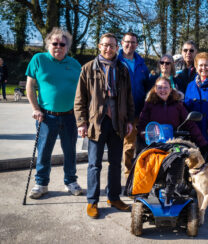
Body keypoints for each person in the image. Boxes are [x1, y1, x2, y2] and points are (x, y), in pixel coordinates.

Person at [74, 33, 135, 219]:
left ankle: (114, 197)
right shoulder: (88, 69)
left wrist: (130, 121)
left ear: (117, 48)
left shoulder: (123, 70)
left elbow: (129, 99)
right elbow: (80, 99)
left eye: (112, 46)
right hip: (96, 124)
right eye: (105, 45)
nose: (108, 49)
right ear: (99, 46)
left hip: (117, 123)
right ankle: (92, 201)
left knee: (115, 163)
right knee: (94, 164)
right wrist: (82, 122)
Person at [25, 27, 82, 199]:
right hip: (46, 116)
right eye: (54, 43)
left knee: (70, 151)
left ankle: (71, 181)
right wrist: (35, 108)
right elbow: (30, 85)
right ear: (48, 43)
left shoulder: (74, 64)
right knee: (44, 151)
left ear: (67, 47)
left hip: (70, 115)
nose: (58, 47)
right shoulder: (39, 59)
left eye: (62, 44)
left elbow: (84, 90)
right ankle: (41, 183)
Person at [137, 77, 207, 150]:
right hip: (154, 144)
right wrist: (147, 137)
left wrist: (202, 142)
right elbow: (142, 125)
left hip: (174, 144)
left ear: (170, 89)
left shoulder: (178, 105)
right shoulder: (149, 105)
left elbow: (189, 123)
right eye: (159, 87)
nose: (163, 90)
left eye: (165, 87)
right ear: (155, 89)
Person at [118, 32, 150, 178]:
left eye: (133, 42)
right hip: (123, 111)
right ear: (122, 43)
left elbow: (146, 86)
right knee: (128, 145)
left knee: (141, 143)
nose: (130, 45)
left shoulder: (142, 64)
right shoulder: (115, 61)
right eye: (127, 41)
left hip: (140, 110)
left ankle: (140, 170)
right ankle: (128, 173)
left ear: (137, 45)